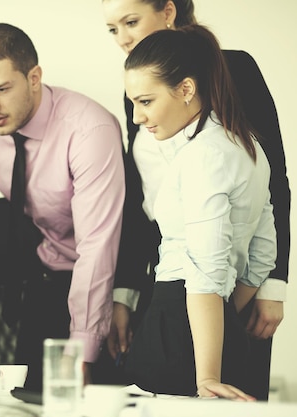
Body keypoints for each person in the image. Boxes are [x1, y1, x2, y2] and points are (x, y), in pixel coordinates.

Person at [101, 0, 289, 400]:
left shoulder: (202, 156)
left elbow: (203, 272)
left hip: (175, 325)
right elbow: (262, 252)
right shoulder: (248, 147)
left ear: (186, 88)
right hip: (212, 321)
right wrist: (224, 316)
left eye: (146, 103)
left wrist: (205, 375)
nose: (136, 118)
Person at [0, 23, 125, 389]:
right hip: (38, 274)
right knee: (28, 395)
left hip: (99, 281)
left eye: (2, 89)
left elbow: (96, 248)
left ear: (34, 78)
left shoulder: (88, 130)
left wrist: (81, 347)